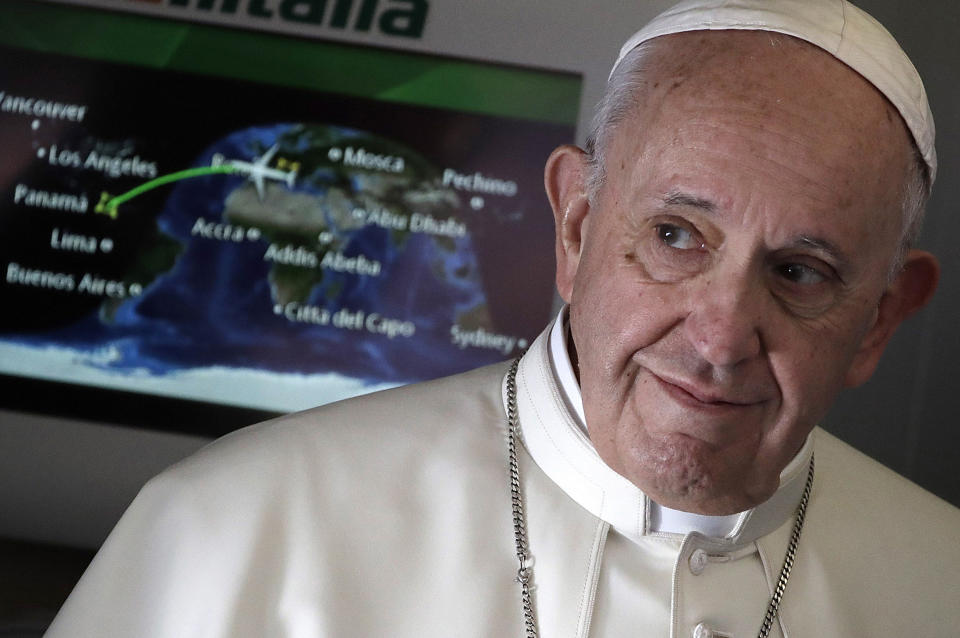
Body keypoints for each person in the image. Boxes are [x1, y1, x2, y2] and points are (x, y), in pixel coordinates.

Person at [47, 0, 960, 636]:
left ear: (879, 320)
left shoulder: (943, 585)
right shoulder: (235, 527)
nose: (720, 338)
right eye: (677, 235)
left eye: (801, 271)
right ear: (575, 225)